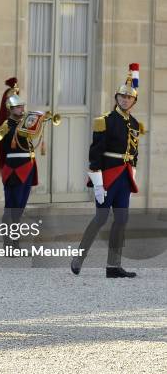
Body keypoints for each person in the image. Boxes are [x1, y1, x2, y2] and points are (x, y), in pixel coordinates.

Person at [71, 64, 144, 278]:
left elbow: (135, 153)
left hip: (124, 177)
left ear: (134, 101)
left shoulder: (135, 123)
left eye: (129, 98)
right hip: (108, 175)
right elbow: (95, 154)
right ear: (116, 98)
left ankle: (113, 265)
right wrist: (98, 183)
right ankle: (79, 257)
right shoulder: (105, 121)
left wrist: (133, 177)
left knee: (121, 220)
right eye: (121, 96)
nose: (124, 100)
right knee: (101, 218)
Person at [0, 78, 37, 250]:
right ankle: (9, 243)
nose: (22, 110)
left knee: (19, 208)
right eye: (18, 107)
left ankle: (15, 242)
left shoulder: (24, 124)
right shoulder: (7, 126)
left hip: (27, 168)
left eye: (22, 107)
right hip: (14, 169)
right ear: (10, 109)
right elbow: (5, 143)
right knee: (11, 208)